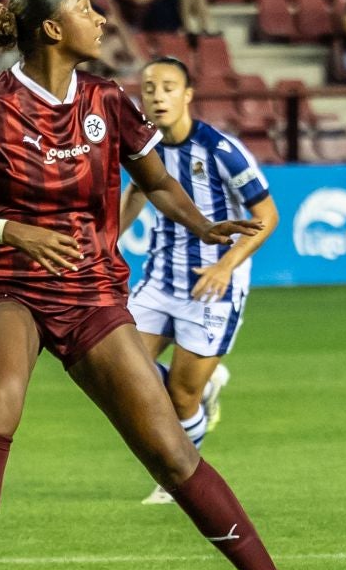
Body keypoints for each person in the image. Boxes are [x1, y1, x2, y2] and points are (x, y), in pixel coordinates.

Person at [0, 0, 327, 570]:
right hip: (6, 281)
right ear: (50, 29)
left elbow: (155, 180)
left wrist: (203, 226)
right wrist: (7, 232)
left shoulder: (108, 100)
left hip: (91, 288)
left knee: (168, 449)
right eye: (84, 9)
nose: (99, 19)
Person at [118, 57, 280, 504]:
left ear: (188, 95)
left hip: (213, 288)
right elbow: (135, 190)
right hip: (159, 278)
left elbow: (267, 217)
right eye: (149, 88)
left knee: (182, 397)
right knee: (117, 367)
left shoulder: (220, 150)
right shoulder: (143, 145)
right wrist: (104, 241)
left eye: (169, 87)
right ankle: (200, 392)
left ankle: (178, 479)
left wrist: (225, 266)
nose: (158, 96)